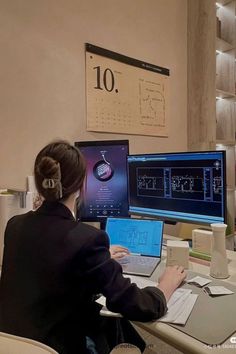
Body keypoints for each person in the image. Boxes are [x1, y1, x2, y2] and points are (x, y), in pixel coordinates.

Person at [0, 140, 186, 354]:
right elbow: (136, 305)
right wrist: (165, 286)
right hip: (59, 346)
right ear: (81, 185)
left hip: (15, 344)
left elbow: (49, 267)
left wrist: (99, 258)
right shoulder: (87, 239)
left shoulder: (14, 225)